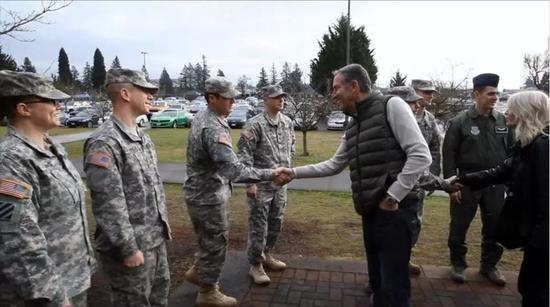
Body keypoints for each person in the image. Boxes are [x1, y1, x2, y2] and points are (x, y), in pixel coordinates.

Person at [287, 64, 432, 307]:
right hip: (371, 210)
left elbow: (420, 156)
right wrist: (292, 172)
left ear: (354, 86)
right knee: (377, 280)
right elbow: (334, 165)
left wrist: (391, 198)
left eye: (336, 88)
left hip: (395, 211)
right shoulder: (353, 124)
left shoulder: (391, 105)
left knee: (393, 286)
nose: (332, 95)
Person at [183, 77, 289, 307]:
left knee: (210, 241)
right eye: (228, 98)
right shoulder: (212, 125)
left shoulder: (208, 118)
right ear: (212, 98)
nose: (233, 102)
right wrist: (269, 174)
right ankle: (208, 291)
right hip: (207, 196)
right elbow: (233, 169)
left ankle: (198, 272)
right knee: (215, 243)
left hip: (205, 193)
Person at [0, 70, 95, 306]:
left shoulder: (51, 147)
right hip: (44, 293)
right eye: (50, 101)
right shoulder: (10, 160)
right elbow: (18, 241)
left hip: (71, 279)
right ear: (24, 109)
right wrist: (53, 295)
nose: (58, 106)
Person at [84, 68, 172, 306]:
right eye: (144, 90)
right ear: (125, 93)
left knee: (158, 299)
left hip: (153, 239)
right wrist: (128, 248)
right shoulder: (105, 142)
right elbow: (108, 202)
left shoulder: (141, 136)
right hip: (130, 246)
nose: (150, 96)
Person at [455, 90, 548, 306]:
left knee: (537, 290)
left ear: (525, 112)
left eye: (512, 108)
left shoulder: (544, 148)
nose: (507, 112)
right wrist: (463, 179)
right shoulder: (526, 146)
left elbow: (547, 202)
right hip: (537, 239)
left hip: (543, 242)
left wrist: (538, 243)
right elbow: (500, 172)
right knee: (528, 286)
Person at [442, 73, 514, 286]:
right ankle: (458, 264)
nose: (495, 97)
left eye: (497, 93)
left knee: (495, 227)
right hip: (466, 184)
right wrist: (450, 186)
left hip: (495, 184)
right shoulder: (459, 122)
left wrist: (509, 185)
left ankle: (489, 265)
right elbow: (449, 156)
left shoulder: (503, 121)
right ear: (476, 94)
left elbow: (512, 154)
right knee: (459, 226)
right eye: (490, 93)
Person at [237, 84, 295, 285]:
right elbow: (244, 157)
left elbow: (291, 148)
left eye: (282, 97)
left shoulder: (287, 122)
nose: (281, 100)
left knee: (276, 222)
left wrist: (288, 171)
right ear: (266, 100)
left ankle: (267, 254)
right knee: (258, 226)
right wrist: (250, 184)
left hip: (281, 185)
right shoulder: (254, 125)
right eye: (276, 97)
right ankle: (255, 265)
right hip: (260, 185)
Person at [409, 79, 442, 275]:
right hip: (396, 181)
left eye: (432, 92)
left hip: (420, 183)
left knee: (415, 221)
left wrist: (434, 178)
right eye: (426, 92)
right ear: (414, 92)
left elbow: (435, 150)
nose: (430, 96)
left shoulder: (430, 120)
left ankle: (406, 256)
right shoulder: (401, 115)